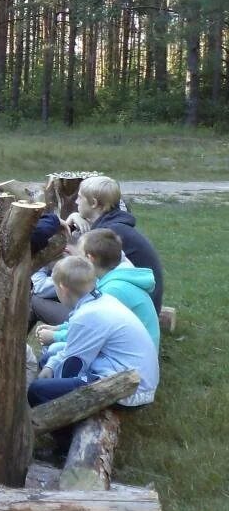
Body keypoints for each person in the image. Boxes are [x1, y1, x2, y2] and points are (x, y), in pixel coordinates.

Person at [28, 256, 158, 410]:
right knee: (51, 356)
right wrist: (51, 366)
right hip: (126, 371)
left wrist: (49, 379)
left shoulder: (87, 317)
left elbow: (71, 369)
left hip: (129, 390)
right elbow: (72, 349)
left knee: (37, 390)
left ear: (62, 288)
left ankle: (65, 428)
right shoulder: (101, 300)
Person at [38, 229, 160, 357]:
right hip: (130, 349)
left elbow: (90, 332)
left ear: (89, 258)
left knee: (55, 350)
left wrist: (55, 336)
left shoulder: (113, 290)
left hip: (133, 357)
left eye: (79, 255)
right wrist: (59, 329)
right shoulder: (113, 278)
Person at [76, 175, 164, 310]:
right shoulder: (114, 225)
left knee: (40, 299)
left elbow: (81, 271)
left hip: (133, 310)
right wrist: (75, 217)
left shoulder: (108, 233)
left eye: (79, 197)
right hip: (139, 303)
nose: (76, 202)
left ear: (93, 203)